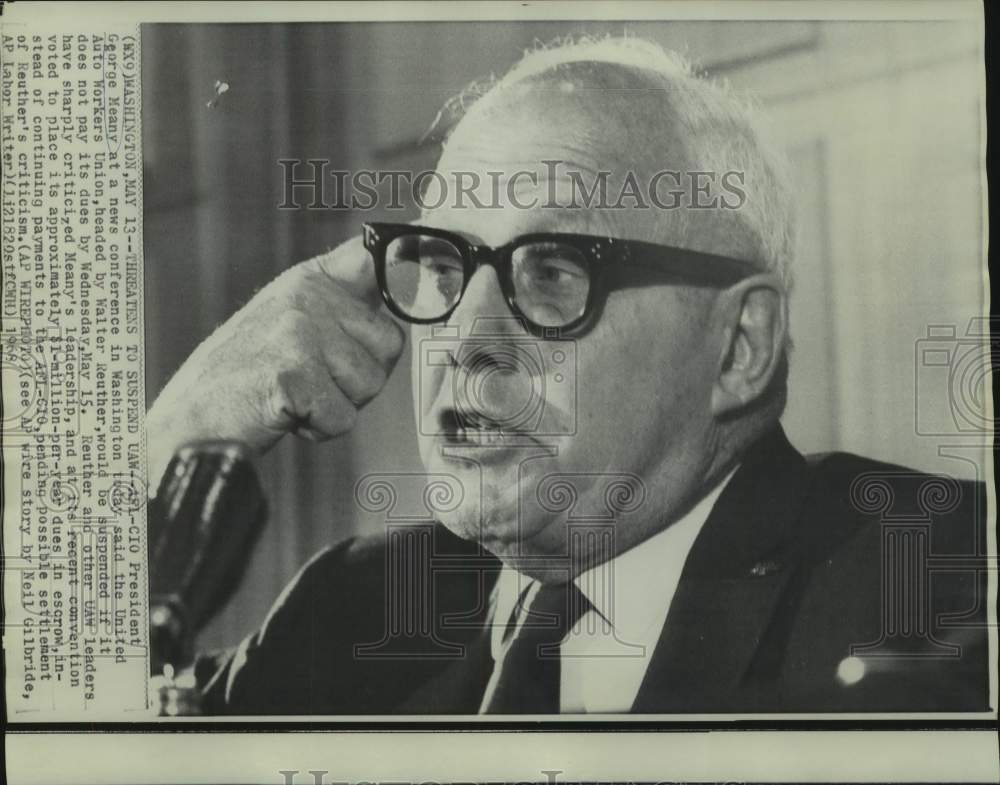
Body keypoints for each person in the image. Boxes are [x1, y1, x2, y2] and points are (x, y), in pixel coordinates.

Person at [146, 37, 989, 714]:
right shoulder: (353, 608)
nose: (465, 338)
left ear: (739, 346)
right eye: (442, 264)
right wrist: (169, 438)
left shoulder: (945, 580)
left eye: (552, 270)